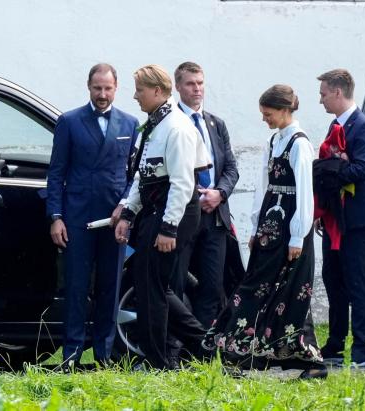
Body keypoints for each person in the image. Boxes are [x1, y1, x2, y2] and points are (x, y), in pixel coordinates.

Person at [202, 85, 326, 379]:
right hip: (271, 229)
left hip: (290, 229)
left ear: (284, 110)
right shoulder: (275, 141)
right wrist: (258, 227)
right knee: (259, 287)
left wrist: (298, 236)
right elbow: (264, 187)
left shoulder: (299, 144)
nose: (264, 119)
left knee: (290, 292)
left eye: (267, 113)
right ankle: (249, 355)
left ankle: (251, 356)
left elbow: (305, 194)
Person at [115, 64, 210, 370]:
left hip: (175, 212)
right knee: (153, 286)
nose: (135, 96)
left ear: (157, 91)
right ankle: (203, 346)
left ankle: (160, 361)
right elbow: (146, 176)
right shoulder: (157, 123)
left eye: (139, 90)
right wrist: (128, 214)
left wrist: (168, 228)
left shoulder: (177, 127)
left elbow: (183, 183)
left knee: (152, 287)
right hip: (157, 208)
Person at [46, 63, 139, 367]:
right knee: (76, 286)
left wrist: (125, 206)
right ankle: (71, 353)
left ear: (116, 87)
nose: (102, 94)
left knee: (110, 287)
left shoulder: (130, 123)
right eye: (97, 88)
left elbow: (133, 175)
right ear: (89, 87)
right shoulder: (70, 121)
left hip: (114, 220)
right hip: (77, 217)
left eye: (108, 88)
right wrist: (56, 216)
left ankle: (104, 354)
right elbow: (57, 172)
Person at [317, 69, 365, 368]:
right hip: (333, 218)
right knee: (333, 281)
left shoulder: (364, 126)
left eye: (324, 93)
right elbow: (328, 168)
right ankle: (335, 345)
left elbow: (363, 169)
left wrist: (333, 169)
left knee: (357, 283)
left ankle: (362, 350)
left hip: (356, 219)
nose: (321, 100)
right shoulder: (334, 125)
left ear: (338, 92)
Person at [172, 61, 239, 328]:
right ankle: (174, 346)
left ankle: (202, 348)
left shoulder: (216, 124)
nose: (197, 89)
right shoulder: (171, 123)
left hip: (215, 216)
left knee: (212, 285)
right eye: (190, 83)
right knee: (175, 284)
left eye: (200, 83)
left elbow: (232, 168)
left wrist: (219, 193)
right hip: (184, 214)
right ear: (178, 87)